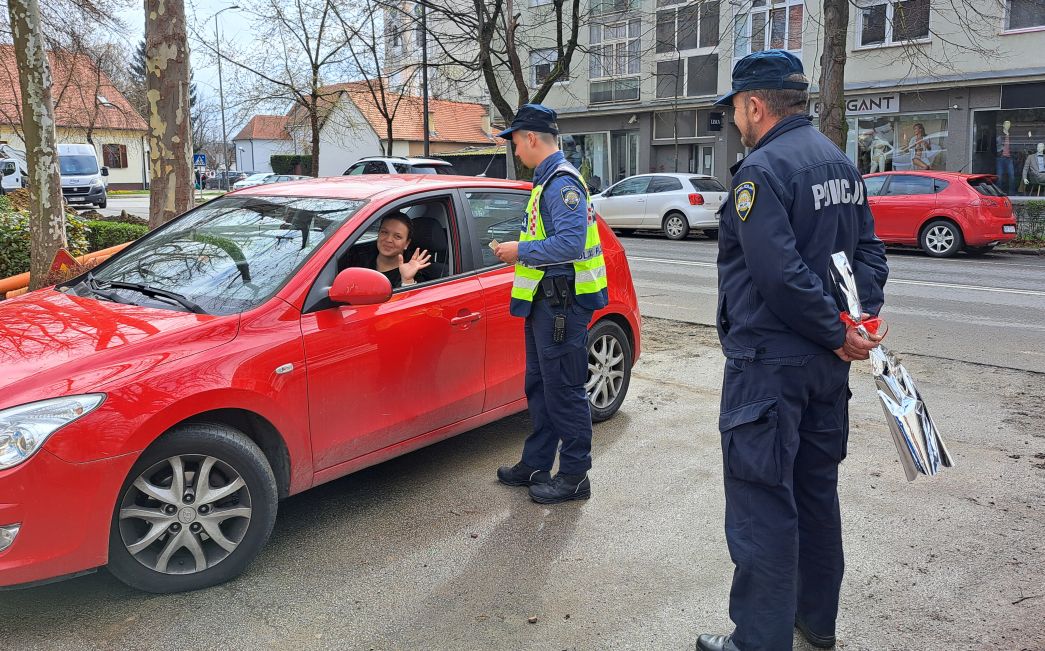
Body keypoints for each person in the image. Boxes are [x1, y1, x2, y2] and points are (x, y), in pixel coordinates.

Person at [695, 50, 890, 651]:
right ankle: (815, 622)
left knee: (762, 503)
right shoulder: (840, 164)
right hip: (825, 372)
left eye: (734, 109)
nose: (733, 120)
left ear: (754, 106)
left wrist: (839, 331)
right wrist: (855, 322)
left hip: (771, 369)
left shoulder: (761, 172)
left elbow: (778, 276)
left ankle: (759, 640)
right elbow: (871, 257)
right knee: (814, 492)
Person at [492, 103, 609, 504]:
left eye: (515, 143)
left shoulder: (561, 183)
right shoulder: (547, 182)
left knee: (564, 390)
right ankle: (537, 463)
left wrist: (519, 250)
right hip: (546, 303)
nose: (515, 152)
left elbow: (570, 244)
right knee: (541, 387)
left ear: (530, 138)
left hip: (562, 305)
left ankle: (575, 475)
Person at [345, 212, 432, 288]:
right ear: (378, 233)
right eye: (384, 232)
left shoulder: (413, 273)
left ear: (406, 243)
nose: (388, 240)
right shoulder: (356, 259)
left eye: (397, 236)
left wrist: (407, 280)